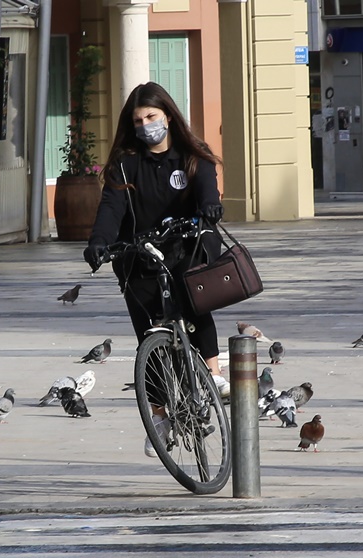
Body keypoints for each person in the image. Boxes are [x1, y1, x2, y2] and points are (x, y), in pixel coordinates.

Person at [82, 82, 229, 456]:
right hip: (141, 253)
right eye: (138, 120)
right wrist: (98, 242)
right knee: (149, 334)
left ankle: (212, 371)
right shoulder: (125, 164)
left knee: (193, 293)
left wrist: (210, 207)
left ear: (168, 115)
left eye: (151, 116)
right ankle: (161, 416)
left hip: (186, 244)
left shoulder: (193, 156)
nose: (146, 124)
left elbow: (206, 187)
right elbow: (111, 209)